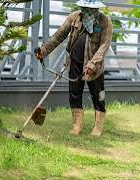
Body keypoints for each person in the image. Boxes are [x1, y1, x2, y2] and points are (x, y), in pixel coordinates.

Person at [35, 0, 112, 136]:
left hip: (94, 67)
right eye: (85, 7)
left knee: (98, 96)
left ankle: (98, 127)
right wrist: (44, 50)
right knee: (74, 94)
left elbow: (104, 45)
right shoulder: (74, 17)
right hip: (74, 63)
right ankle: (77, 125)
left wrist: (93, 63)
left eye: (91, 8)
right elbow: (58, 36)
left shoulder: (105, 21)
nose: (88, 10)